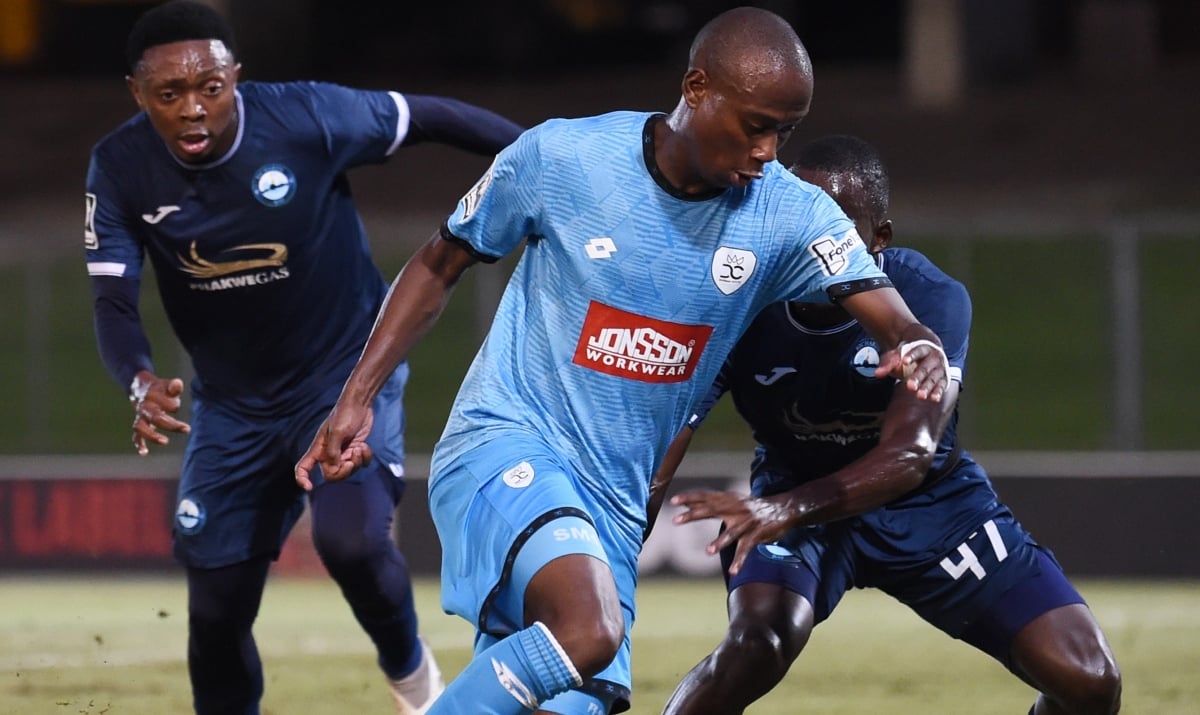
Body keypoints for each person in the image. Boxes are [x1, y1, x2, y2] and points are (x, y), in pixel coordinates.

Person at [296, 8, 951, 715]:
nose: (767, 151)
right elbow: (439, 259)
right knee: (588, 628)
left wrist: (915, 342)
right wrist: (356, 396)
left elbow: (885, 305)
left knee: (576, 695)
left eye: (783, 132)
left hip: (613, 505)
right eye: (755, 125)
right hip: (507, 443)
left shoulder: (789, 214)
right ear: (697, 87)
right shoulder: (562, 158)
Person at [83, 2, 524, 713]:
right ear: (137, 93)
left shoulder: (308, 117)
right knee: (216, 608)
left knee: (349, 543)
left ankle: (414, 680)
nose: (194, 109)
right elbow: (112, 303)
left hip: (345, 378)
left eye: (212, 88)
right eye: (170, 94)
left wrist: (553, 162)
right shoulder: (119, 166)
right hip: (230, 405)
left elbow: (434, 115)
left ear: (238, 78)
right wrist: (137, 379)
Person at [653, 135, 1122, 715]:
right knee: (756, 646)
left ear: (880, 237)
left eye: (838, 225)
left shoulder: (929, 299)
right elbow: (664, 436)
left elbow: (909, 457)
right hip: (795, 490)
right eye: (801, 217)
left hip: (930, 505)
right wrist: (617, 567)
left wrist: (783, 509)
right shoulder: (742, 302)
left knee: (1089, 679)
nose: (815, 242)